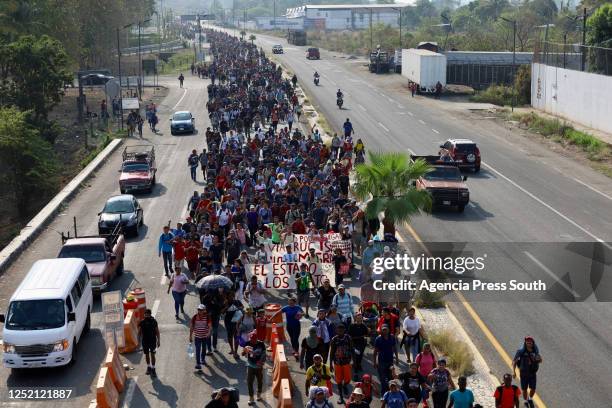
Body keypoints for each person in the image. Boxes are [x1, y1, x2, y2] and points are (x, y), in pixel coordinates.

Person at [512, 336, 542, 408]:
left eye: (530, 342)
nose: (529, 343)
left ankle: (530, 398)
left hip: (532, 373)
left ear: (532, 343)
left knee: (533, 389)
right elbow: (514, 362)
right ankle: (526, 401)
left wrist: (537, 359)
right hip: (524, 373)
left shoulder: (535, 351)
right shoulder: (520, 352)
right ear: (525, 343)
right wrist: (514, 372)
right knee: (524, 389)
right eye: (527, 342)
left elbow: (540, 360)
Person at [329, 323, 353, 404]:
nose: (340, 331)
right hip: (337, 362)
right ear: (336, 331)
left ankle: (345, 385)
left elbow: (352, 349)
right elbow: (331, 352)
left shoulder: (348, 338)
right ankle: (341, 397)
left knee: (348, 379)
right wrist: (330, 364)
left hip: (347, 362)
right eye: (338, 330)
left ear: (344, 330)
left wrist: (354, 361)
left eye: (341, 330)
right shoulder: (334, 339)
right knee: (338, 380)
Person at [242, 330, 266, 405]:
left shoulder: (261, 344)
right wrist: (245, 350)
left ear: (256, 339)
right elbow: (242, 354)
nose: (252, 341)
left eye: (254, 340)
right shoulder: (247, 343)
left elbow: (264, 354)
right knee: (249, 382)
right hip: (250, 365)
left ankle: (259, 394)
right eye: (251, 339)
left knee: (259, 381)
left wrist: (261, 361)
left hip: (259, 367)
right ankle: (251, 397)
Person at [374, 324, 398, 394]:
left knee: (391, 378)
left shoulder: (392, 337)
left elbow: (395, 348)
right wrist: (375, 362)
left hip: (390, 361)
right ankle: (383, 394)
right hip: (381, 362)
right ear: (381, 330)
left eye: (386, 329)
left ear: (388, 330)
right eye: (383, 329)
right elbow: (375, 351)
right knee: (383, 380)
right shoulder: (378, 339)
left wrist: (397, 358)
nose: (384, 331)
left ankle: (390, 393)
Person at [138, 308, 160, 378]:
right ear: (144, 315)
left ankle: (153, 368)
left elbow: (157, 332)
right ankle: (149, 367)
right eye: (145, 314)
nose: (146, 315)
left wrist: (158, 340)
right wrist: (138, 341)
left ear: (150, 315)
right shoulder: (142, 322)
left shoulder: (154, 321)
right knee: (147, 355)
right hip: (145, 341)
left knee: (152, 355)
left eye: (148, 314)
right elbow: (139, 332)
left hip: (153, 341)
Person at [189, 304, 211, 370]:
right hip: (197, 337)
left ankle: (203, 359)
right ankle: (198, 363)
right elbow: (192, 327)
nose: (200, 311)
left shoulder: (207, 317)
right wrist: (190, 336)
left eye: (201, 310)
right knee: (198, 350)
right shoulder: (195, 317)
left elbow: (210, 326)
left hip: (205, 337)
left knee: (204, 349)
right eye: (199, 310)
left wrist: (209, 333)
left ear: (204, 310)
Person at [348, 313, 368, 377]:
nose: (359, 319)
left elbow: (366, 334)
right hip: (354, 343)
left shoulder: (363, 326)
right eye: (358, 318)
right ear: (355, 318)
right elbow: (349, 335)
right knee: (355, 356)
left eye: (360, 318)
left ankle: (359, 365)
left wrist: (364, 337)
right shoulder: (352, 326)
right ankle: (355, 367)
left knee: (360, 355)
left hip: (362, 343)